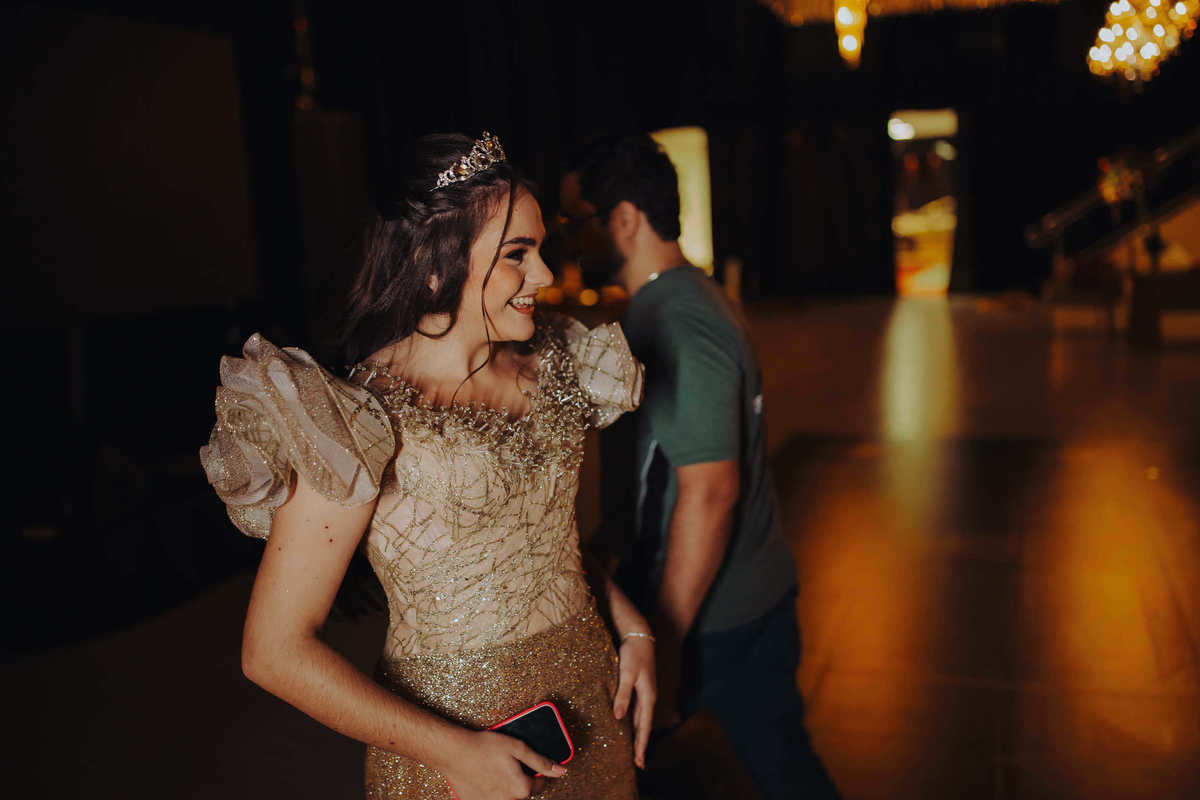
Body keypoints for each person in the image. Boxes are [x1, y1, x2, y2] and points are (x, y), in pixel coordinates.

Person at [200, 132, 656, 800]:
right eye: (517, 255)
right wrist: (456, 752)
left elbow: (546, 543)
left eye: (540, 250)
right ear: (434, 264)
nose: (544, 275)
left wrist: (633, 627)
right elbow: (273, 651)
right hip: (454, 756)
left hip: (595, 706)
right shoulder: (355, 418)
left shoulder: (557, 367)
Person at [560, 134, 839, 800]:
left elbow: (710, 491)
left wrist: (666, 639)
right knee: (783, 770)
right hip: (744, 597)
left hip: (717, 616)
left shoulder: (681, 319)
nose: (571, 240)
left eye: (580, 220)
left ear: (624, 219)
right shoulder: (681, 301)